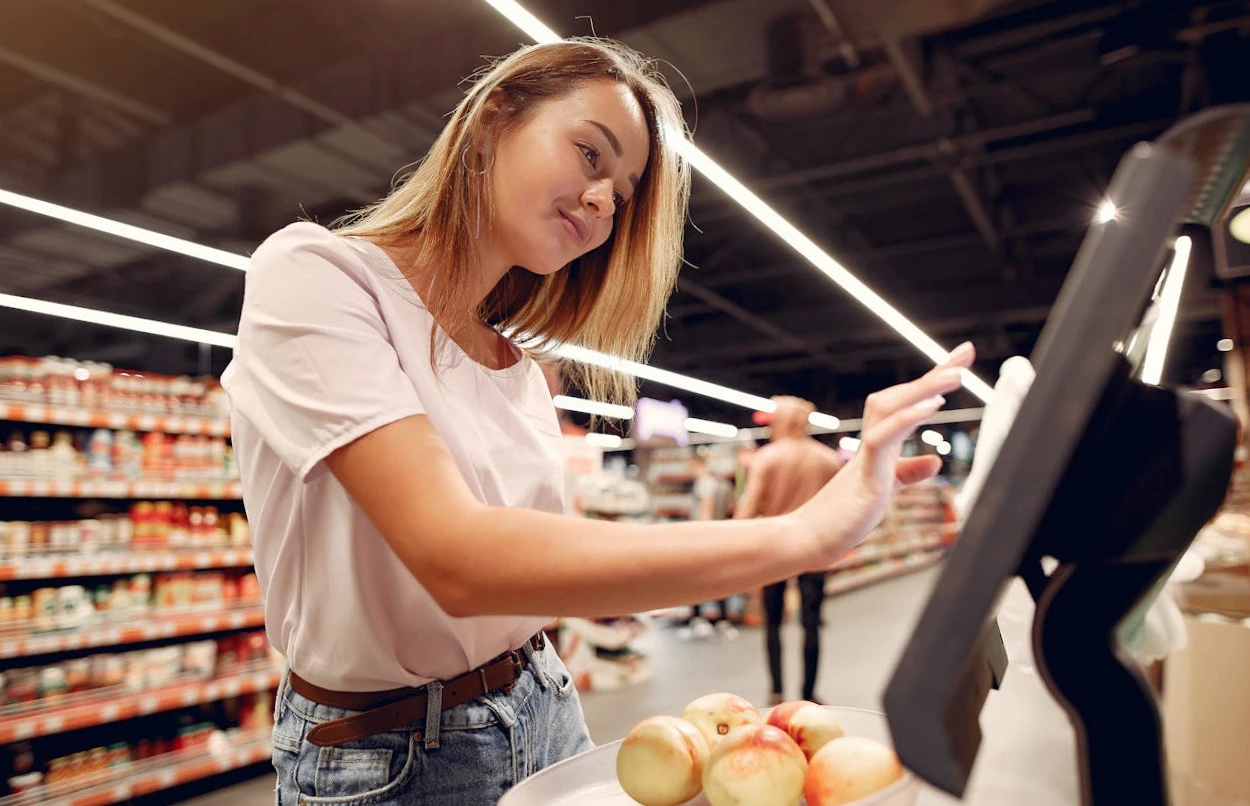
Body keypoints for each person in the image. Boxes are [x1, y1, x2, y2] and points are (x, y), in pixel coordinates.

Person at [222, 37, 975, 805]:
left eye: (622, 192)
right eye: (590, 155)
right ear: (493, 119)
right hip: (388, 754)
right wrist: (803, 533)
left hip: (542, 703)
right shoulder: (316, 276)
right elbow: (455, 559)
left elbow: (541, 574)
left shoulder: (515, 367)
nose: (603, 200)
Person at [734, 396, 845, 706]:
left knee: (772, 623)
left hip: (774, 551)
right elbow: (840, 508)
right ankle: (809, 693)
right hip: (816, 550)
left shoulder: (766, 458)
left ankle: (777, 691)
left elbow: (748, 508)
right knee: (812, 624)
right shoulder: (827, 459)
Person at [679, 452, 740, 641]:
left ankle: (699, 621)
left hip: (703, 538)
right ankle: (722, 621)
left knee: (695, 581)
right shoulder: (720, 482)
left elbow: (706, 510)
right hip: (717, 536)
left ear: (695, 463)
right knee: (720, 580)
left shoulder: (704, 482)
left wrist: (700, 539)